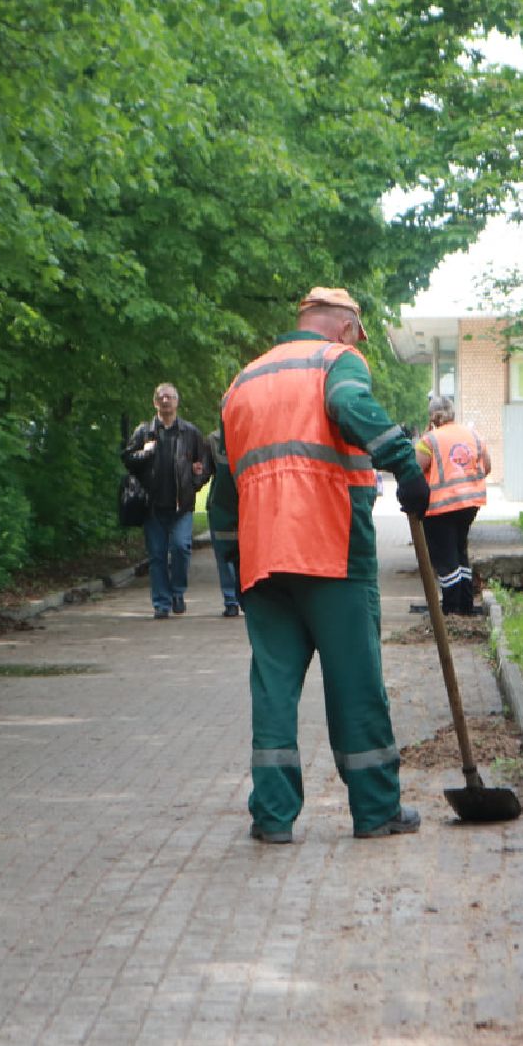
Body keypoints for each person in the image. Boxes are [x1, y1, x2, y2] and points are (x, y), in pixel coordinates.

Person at [207, 286, 431, 843]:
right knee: (355, 681)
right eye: (358, 334)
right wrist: (406, 466)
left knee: (273, 688)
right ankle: (376, 809)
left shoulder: (244, 382)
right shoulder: (336, 362)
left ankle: (273, 818)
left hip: (263, 558)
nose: (359, 345)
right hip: (333, 548)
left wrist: (233, 554)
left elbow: (225, 485)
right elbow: (352, 408)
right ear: (343, 326)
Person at [122, 383, 211, 619]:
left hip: (182, 506)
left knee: (181, 548)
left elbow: (204, 464)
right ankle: (161, 603)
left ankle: (178, 592)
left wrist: (194, 482)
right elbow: (128, 460)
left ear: (176, 402)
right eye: (160, 397)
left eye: (169, 397)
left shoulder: (190, 432)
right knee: (157, 555)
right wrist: (145, 452)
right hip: (152, 506)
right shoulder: (144, 432)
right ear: (154, 402)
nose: (165, 400)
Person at [416, 395, 491, 616]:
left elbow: (415, 469)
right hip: (470, 504)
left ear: (433, 417)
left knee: (446, 557)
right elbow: (487, 466)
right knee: (460, 552)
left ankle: (450, 611)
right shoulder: (473, 434)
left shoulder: (429, 440)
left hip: (442, 506)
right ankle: (466, 605)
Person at [206, 428, 243, 617]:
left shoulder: (256, 431)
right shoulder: (214, 439)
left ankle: (245, 597)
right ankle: (231, 600)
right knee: (224, 553)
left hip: (250, 503)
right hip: (222, 505)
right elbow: (205, 470)